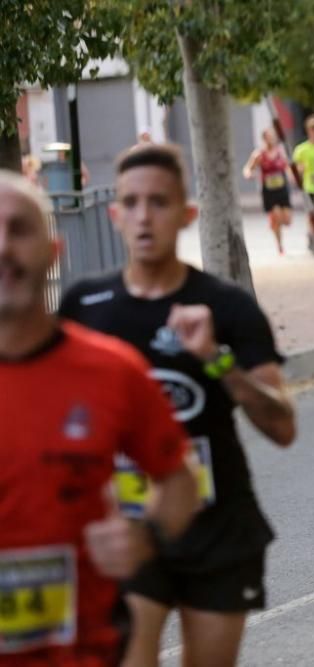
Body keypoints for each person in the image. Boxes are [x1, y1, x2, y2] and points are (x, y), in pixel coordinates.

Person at [59, 144, 297, 667]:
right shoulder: (84, 307)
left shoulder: (226, 305)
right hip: (129, 528)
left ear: (186, 213)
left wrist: (216, 360)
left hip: (217, 527)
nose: (145, 217)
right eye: (133, 203)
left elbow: (282, 426)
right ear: (114, 214)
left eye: (160, 202)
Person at [0, 170, 200, 666]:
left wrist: (145, 536)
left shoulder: (111, 370)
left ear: (54, 250)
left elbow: (180, 481)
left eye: (18, 230)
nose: (3, 248)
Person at [243, 128, 293, 255]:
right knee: (276, 216)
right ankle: (280, 245)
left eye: (273, 136)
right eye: (269, 137)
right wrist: (248, 174)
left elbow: (287, 167)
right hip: (269, 191)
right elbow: (248, 168)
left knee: (287, 220)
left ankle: (274, 222)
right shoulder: (259, 154)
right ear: (264, 139)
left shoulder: (281, 151)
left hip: (282, 188)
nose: (271, 139)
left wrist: (292, 177)